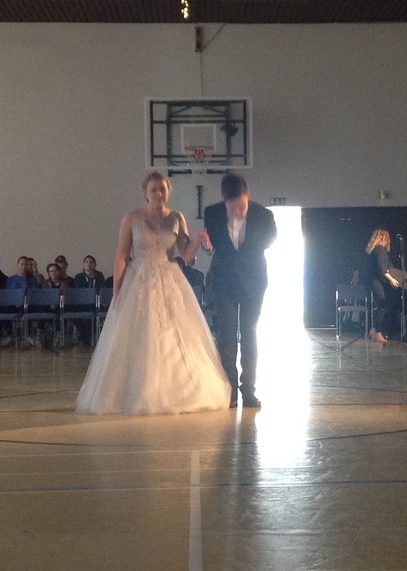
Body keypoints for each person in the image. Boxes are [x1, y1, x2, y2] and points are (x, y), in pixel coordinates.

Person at [75, 171, 230, 415]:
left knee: (172, 334)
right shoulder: (132, 218)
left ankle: (173, 390)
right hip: (139, 278)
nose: (158, 193)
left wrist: (198, 239)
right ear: (146, 194)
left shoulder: (177, 217)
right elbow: (122, 255)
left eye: (162, 189)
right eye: (154, 190)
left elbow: (186, 255)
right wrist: (117, 289)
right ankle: (137, 391)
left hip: (169, 277)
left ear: (168, 192)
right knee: (140, 334)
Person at [199, 172, 277, 409]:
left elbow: (271, 239)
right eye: (232, 207)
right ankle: (230, 390)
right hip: (223, 282)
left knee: (249, 334)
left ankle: (248, 390)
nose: (237, 211)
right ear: (224, 200)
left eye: (241, 205)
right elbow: (211, 245)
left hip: (253, 280)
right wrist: (207, 246)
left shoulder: (264, 215)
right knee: (227, 336)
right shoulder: (212, 213)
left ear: (248, 195)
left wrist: (246, 250)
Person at [365, 228, 401, 343]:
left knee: (383, 304)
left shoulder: (379, 250)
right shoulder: (380, 249)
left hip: (378, 281)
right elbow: (382, 269)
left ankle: (374, 329)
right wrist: (392, 279)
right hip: (376, 281)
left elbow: (388, 267)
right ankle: (378, 331)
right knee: (382, 303)